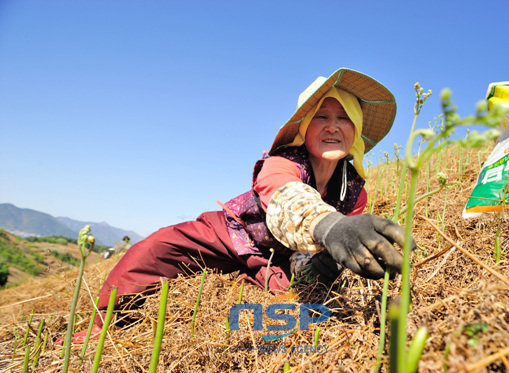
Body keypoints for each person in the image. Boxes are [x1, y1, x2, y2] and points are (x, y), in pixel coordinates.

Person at [61, 68, 414, 343]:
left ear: (356, 131)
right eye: (322, 117)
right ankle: (101, 326)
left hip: (276, 261)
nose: (333, 127)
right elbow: (287, 197)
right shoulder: (283, 162)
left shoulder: (353, 190)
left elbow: (334, 250)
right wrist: (330, 226)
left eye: (344, 118)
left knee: (287, 295)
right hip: (230, 235)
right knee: (151, 251)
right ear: (304, 128)